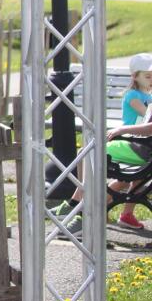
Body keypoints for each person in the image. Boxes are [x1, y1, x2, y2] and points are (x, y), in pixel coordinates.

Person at [54, 52, 152, 233]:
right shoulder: (138, 95)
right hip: (141, 148)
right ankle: (80, 206)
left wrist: (123, 130)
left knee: (87, 151)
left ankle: (81, 208)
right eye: (148, 76)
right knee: (89, 151)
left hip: (140, 149)